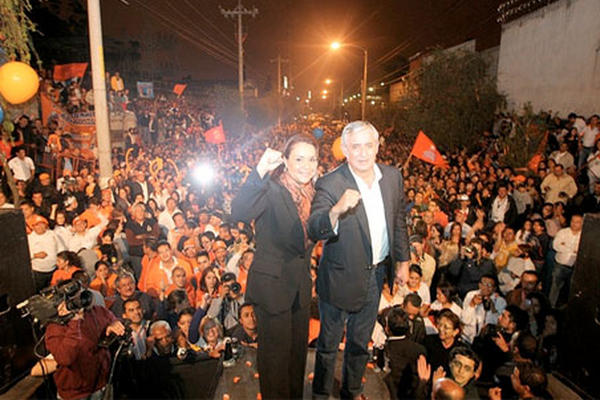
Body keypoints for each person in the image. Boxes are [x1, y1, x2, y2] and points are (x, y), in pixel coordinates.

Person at [308, 121, 410, 399]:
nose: (363, 153)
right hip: (338, 277)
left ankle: (351, 391)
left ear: (378, 146)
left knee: (359, 342)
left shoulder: (392, 177)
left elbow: (399, 219)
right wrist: (337, 210)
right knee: (328, 344)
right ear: (345, 150)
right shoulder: (331, 182)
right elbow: (315, 227)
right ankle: (320, 393)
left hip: (375, 276)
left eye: (369, 145)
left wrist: (402, 260)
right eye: (355, 147)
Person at [231, 134, 319, 399]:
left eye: (312, 158)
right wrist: (259, 170)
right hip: (272, 287)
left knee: (296, 358)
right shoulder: (270, 188)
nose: (306, 165)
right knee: (275, 361)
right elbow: (239, 210)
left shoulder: (315, 193)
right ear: (286, 160)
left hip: (300, 288)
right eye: (299, 158)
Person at [45, 286, 125, 400]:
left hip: (102, 385)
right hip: (75, 394)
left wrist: (114, 324)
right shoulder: (55, 327)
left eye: (81, 295)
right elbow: (65, 358)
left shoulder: (98, 311)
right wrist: (74, 321)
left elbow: (113, 319)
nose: (80, 301)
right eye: (74, 299)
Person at [549, 214, 582, 307]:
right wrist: (573, 250)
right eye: (573, 221)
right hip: (560, 266)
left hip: (575, 268)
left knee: (571, 290)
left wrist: (565, 245)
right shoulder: (563, 232)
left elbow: (581, 251)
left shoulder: (584, 235)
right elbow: (556, 245)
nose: (574, 224)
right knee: (555, 288)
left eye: (577, 222)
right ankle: (551, 308)